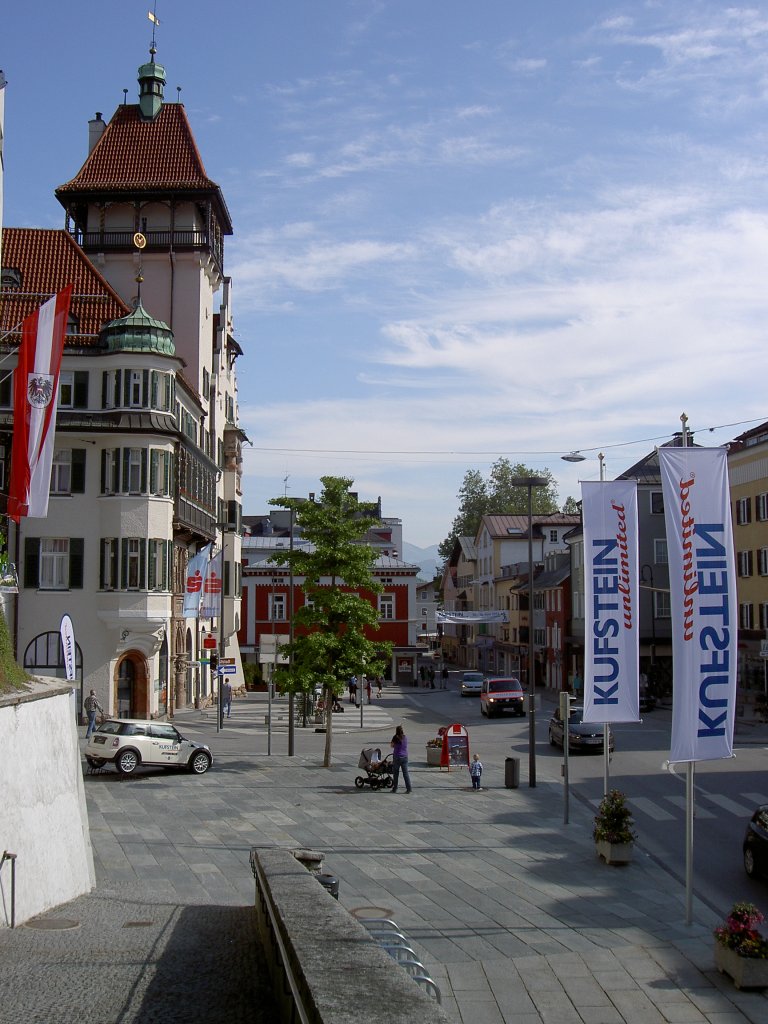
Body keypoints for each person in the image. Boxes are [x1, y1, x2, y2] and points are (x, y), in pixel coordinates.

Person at [389, 725, 412, 794]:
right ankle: (409, 788)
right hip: (405, 757)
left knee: (396, 773)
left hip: (397, 757)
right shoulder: (405, 737)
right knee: (405, 774)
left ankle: (395, 788)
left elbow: (391, 745)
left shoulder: (395, 737)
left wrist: (395, 746)